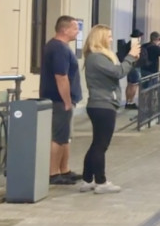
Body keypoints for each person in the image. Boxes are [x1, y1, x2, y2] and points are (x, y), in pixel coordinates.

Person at [81, 25, 139, 193]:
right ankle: (101, 182)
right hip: (103, 104)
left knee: (96, 143)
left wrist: (131, 59)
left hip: (101, 104)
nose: (111, 39)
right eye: (109, 36)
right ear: (100, 38)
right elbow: (118, 72)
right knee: (101, 145)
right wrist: (130, 57)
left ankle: (87, 179)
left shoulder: (98, 57)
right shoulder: (97, 58)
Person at [40, 16, 82, 185]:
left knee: (65, 136)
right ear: (64, 30)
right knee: (58, 136)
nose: (78, 31)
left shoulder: (60, 47)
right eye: (75, 28)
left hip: (62, 100)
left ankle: (64, 169)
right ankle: (53, 173)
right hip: (59, 100)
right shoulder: (59, 49)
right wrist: (66, 101)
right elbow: (61, 77)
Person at [119, 28, 142, 109]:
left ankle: (127, 101)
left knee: (129, 84)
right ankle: (131, 101)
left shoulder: (129, 43)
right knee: (134, 85)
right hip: (135, 66)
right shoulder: (136, 45)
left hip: (129, 66)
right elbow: (137, 56)